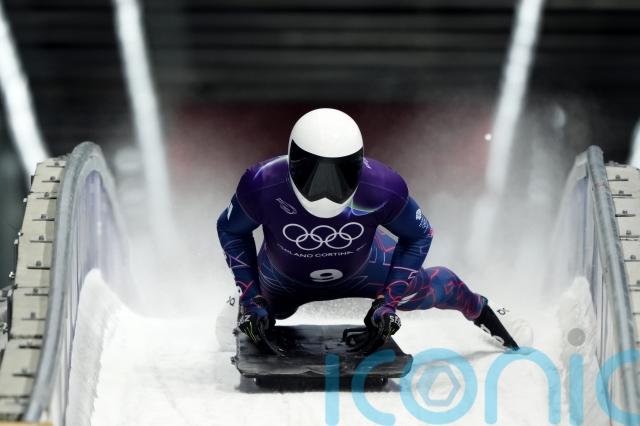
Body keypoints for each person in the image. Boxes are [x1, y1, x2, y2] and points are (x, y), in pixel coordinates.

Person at [216, 108, 519, 353]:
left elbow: (419, 234)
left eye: (341, 173)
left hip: (357, 266)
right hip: (283, 278)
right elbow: (230, 229)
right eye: (314, 173)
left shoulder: (384, 187)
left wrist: (387, 303)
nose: (326, 190)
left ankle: (486, 311)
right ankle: (242, 300)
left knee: (428, 289)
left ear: (359, 165)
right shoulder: (261, 183)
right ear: (292, 160)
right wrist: (252, 297)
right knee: (264, 313)